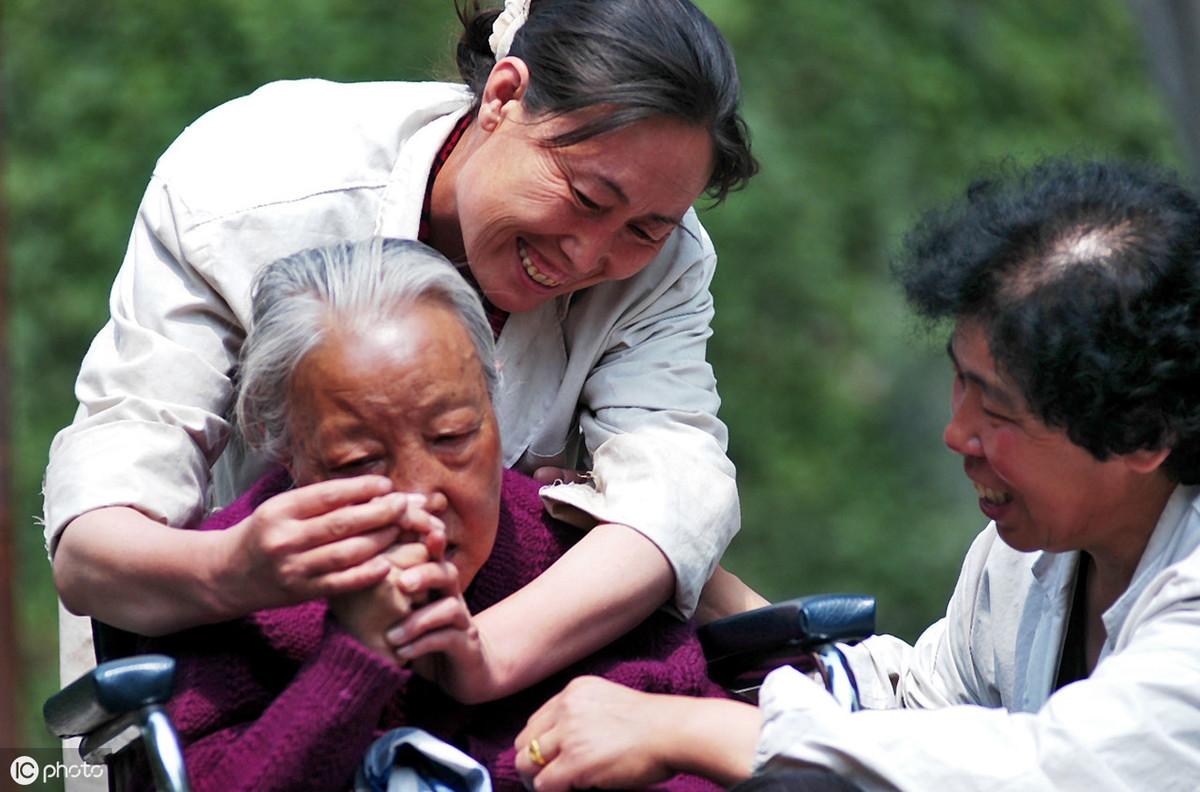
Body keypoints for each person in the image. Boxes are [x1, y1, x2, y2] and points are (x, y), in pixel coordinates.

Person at [45, 0, 764, 704]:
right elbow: (97, 539)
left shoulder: (667, 263)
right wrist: (236, 568)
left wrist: (485, 658)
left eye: (645, 229)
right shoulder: (248, 187)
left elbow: (672, 498)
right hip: (198, 672)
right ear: (504, 96)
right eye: (584, 195)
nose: (589, 252)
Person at [511, 158, 1200, 791]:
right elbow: (916, 721)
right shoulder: (1024, 561)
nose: (957, 433)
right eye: (960, 382)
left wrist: (686, 729)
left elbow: (1051, 772)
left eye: (998, 410)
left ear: (1143, 433)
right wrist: (680, 565)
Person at [135, 237, 729, 792]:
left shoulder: (568, 560)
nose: (421, 495)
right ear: (286, 446)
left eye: (452, 436)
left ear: (494, 400)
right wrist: (356, 659)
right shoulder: (235, 597)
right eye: (360, 460)